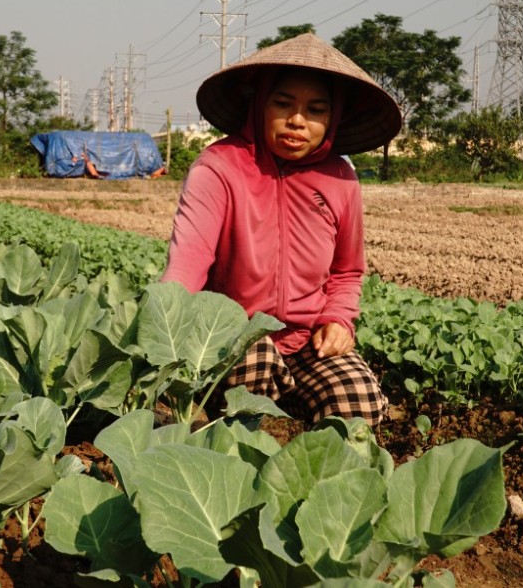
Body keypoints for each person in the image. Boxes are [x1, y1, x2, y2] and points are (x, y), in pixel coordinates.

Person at [161, 33, 403, 426]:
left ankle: (292, 410)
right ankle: (248, 426)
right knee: (253, 376)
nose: (297, 120)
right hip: (231, 334)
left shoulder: (340, 178)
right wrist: (167, 332)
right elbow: (188, 262)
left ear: (332, 118)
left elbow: (347, 271)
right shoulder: (219, 167)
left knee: (358, 406)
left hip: (307, 342)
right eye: (283, 104)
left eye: (316, 110)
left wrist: (339, 320)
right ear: (259, 104)